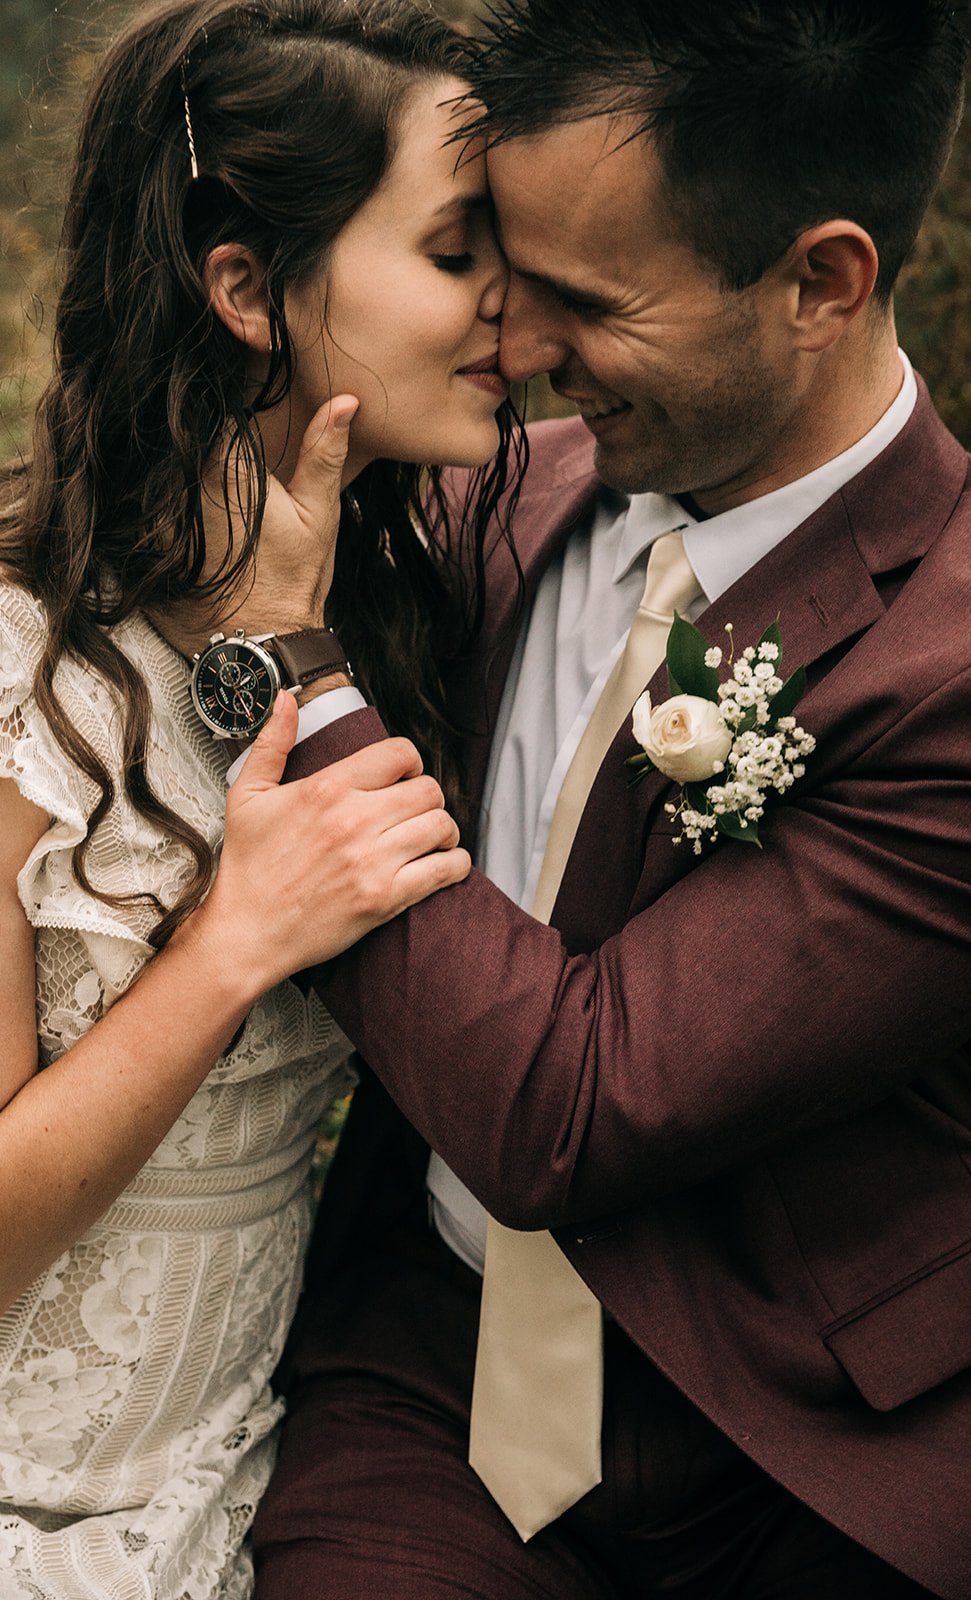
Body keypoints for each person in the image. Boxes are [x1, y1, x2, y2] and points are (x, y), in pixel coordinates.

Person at [243, 1, 971, 1596]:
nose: (514, 346)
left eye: (582, 300)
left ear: (819, 281)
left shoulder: (954, 659)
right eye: (502, 272)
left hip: (804, 1443)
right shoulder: (488, 498)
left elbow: (567, 1109)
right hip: (427, 1369)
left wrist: (291, 666)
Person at [0, 0, 523, 1593]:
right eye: (459, 251)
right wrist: (237, 939)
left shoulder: (404, 612)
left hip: (243, 1478)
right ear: (244, 286)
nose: (514, 304)